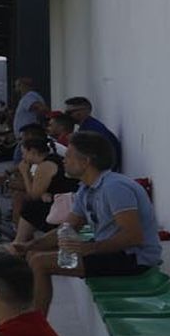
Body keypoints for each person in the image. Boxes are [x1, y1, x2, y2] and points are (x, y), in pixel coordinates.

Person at [24, 131, 161, 313]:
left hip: (133, 258)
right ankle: (29, 320)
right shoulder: (86, 190)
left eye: (69, 155)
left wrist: (90, 249)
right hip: (111, 253)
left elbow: (133, 236)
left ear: (86, 161)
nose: (64, 160)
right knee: (33, 254)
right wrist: (28, 245)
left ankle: (36, 328)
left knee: (40, 263)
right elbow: (66, 229)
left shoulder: (115, 187)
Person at [0, 136, 75, 253]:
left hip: (63, 205)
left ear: (33, 152)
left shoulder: (45, 166)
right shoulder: (52, 160)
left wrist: (25, 172)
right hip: (60, 201)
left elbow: (33, 195)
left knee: (31, 206)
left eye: (24, 153)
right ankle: (19, 242)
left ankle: (18, 243)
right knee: (27, 203)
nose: (23, 157)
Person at [62, 96, 122, 171]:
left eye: (69, 112)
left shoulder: (93, 129)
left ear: (84, 111)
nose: (67, 116)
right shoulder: (87, 127)